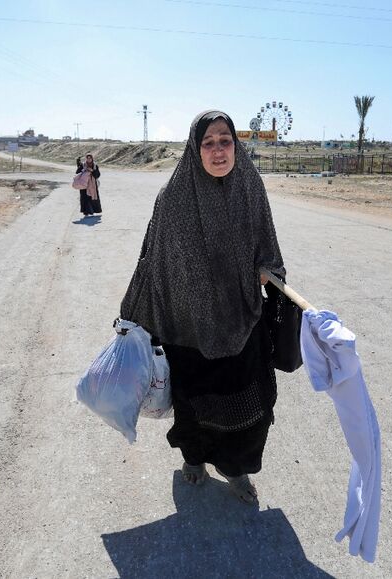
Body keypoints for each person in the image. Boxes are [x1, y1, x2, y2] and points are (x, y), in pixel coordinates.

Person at [120, 110, 285, 503]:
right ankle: (193, 460)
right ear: (195, 149)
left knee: (248, 402)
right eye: (208, 143)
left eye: (225, 140)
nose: (217, 150)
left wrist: (269, 269)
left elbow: (268, 242)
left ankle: (236, 468)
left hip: (241, 319)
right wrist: (141, 311)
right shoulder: (173, 196)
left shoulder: (250, 185)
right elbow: (155, 260)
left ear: (235, 145)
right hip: (188, 325)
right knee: (193, 402)